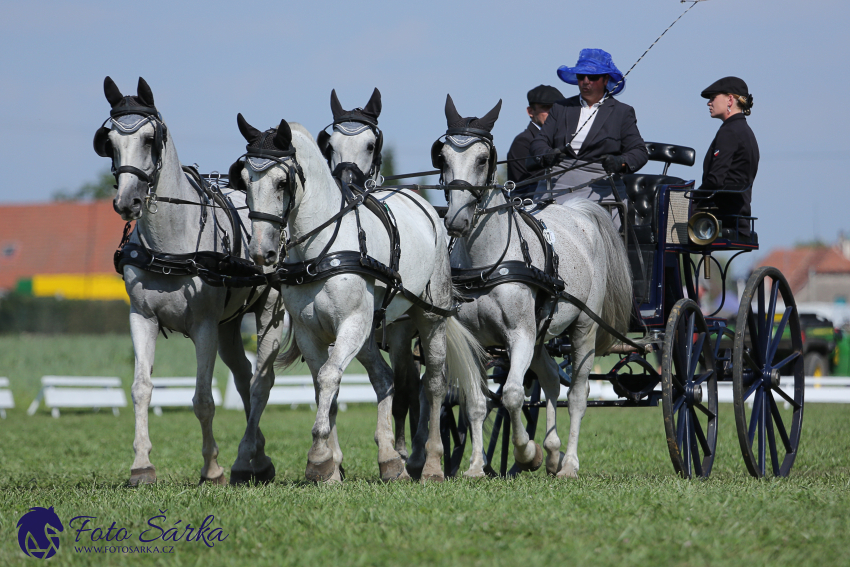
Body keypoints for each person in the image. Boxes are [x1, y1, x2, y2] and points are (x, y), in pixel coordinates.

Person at [527, 48, 648, 227]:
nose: (585, 82)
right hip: (557, 184)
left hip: (600, 187)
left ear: (606, 79)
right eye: (581, 76)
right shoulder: (561, 107)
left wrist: (620, 161)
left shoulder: (622, 112)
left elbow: (639, 151)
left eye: (592, 77)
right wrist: (546, 154)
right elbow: (540, 141)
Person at [695, 76, 758, 237]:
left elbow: (715, 180)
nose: (709, 103)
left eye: (713, 98)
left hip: (722, 218)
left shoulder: (729, 131)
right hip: (740, 216)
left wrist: (691, 199)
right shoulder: (745, 130)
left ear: (730, 99)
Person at [506, 85, 563, 191]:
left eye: (556, 108)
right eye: (546, 108)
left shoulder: (565, 138)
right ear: (530, 111)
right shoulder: (523, 142)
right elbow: (528, 186)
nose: (552, 112)